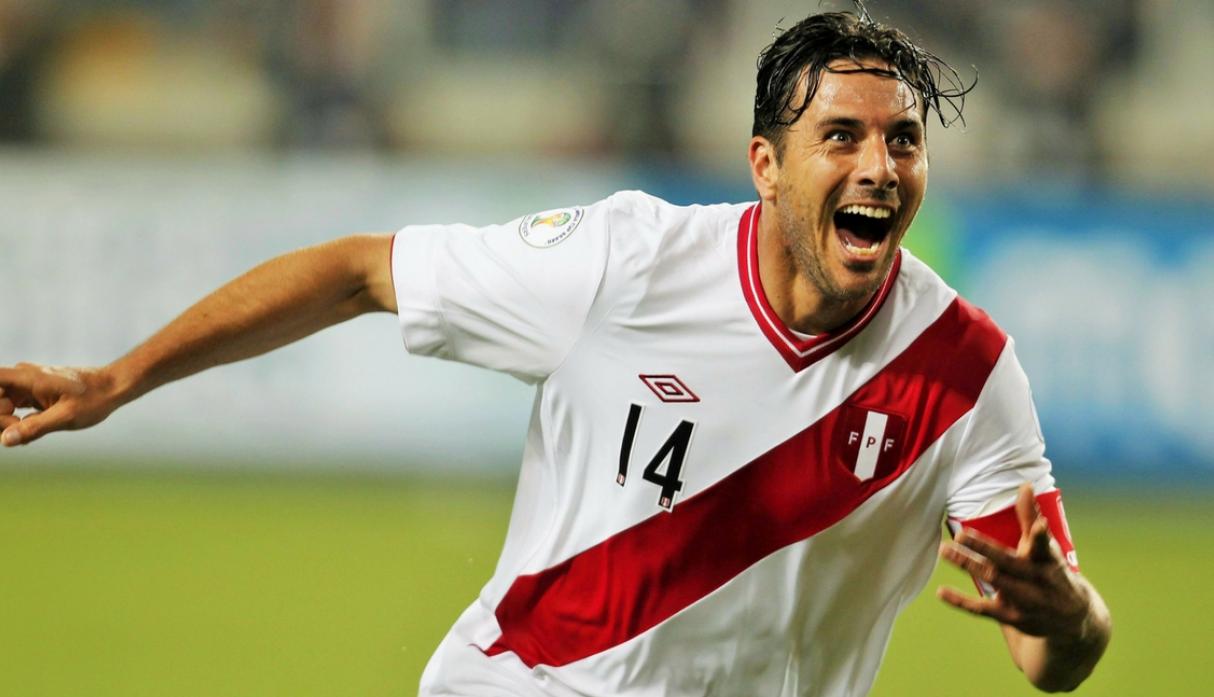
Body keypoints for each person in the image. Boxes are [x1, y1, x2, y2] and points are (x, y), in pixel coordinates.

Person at [0, 3, 1110, 696]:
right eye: (842, 136)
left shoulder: (964, 370)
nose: (878, 166)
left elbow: (1051, 650)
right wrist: (117, 379)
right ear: (765, 166)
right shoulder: (624, 261)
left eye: (903, 140)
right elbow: (357, 270)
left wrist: (1072, 621)